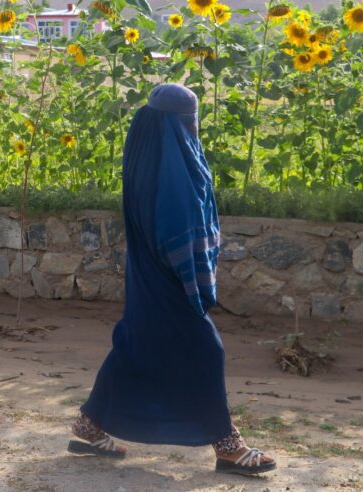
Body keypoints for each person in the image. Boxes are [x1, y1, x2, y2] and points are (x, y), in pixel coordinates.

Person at [68, 84, 276, 476]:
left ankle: (89, 425)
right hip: (169, 278)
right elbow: (180, 228)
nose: (194, 129)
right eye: (190, 122)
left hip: (146, 273)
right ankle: (227, 445)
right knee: (204, 349)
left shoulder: (150, 154)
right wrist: (193, 279)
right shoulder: (173, 168)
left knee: (137, 345)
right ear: (178, 123)